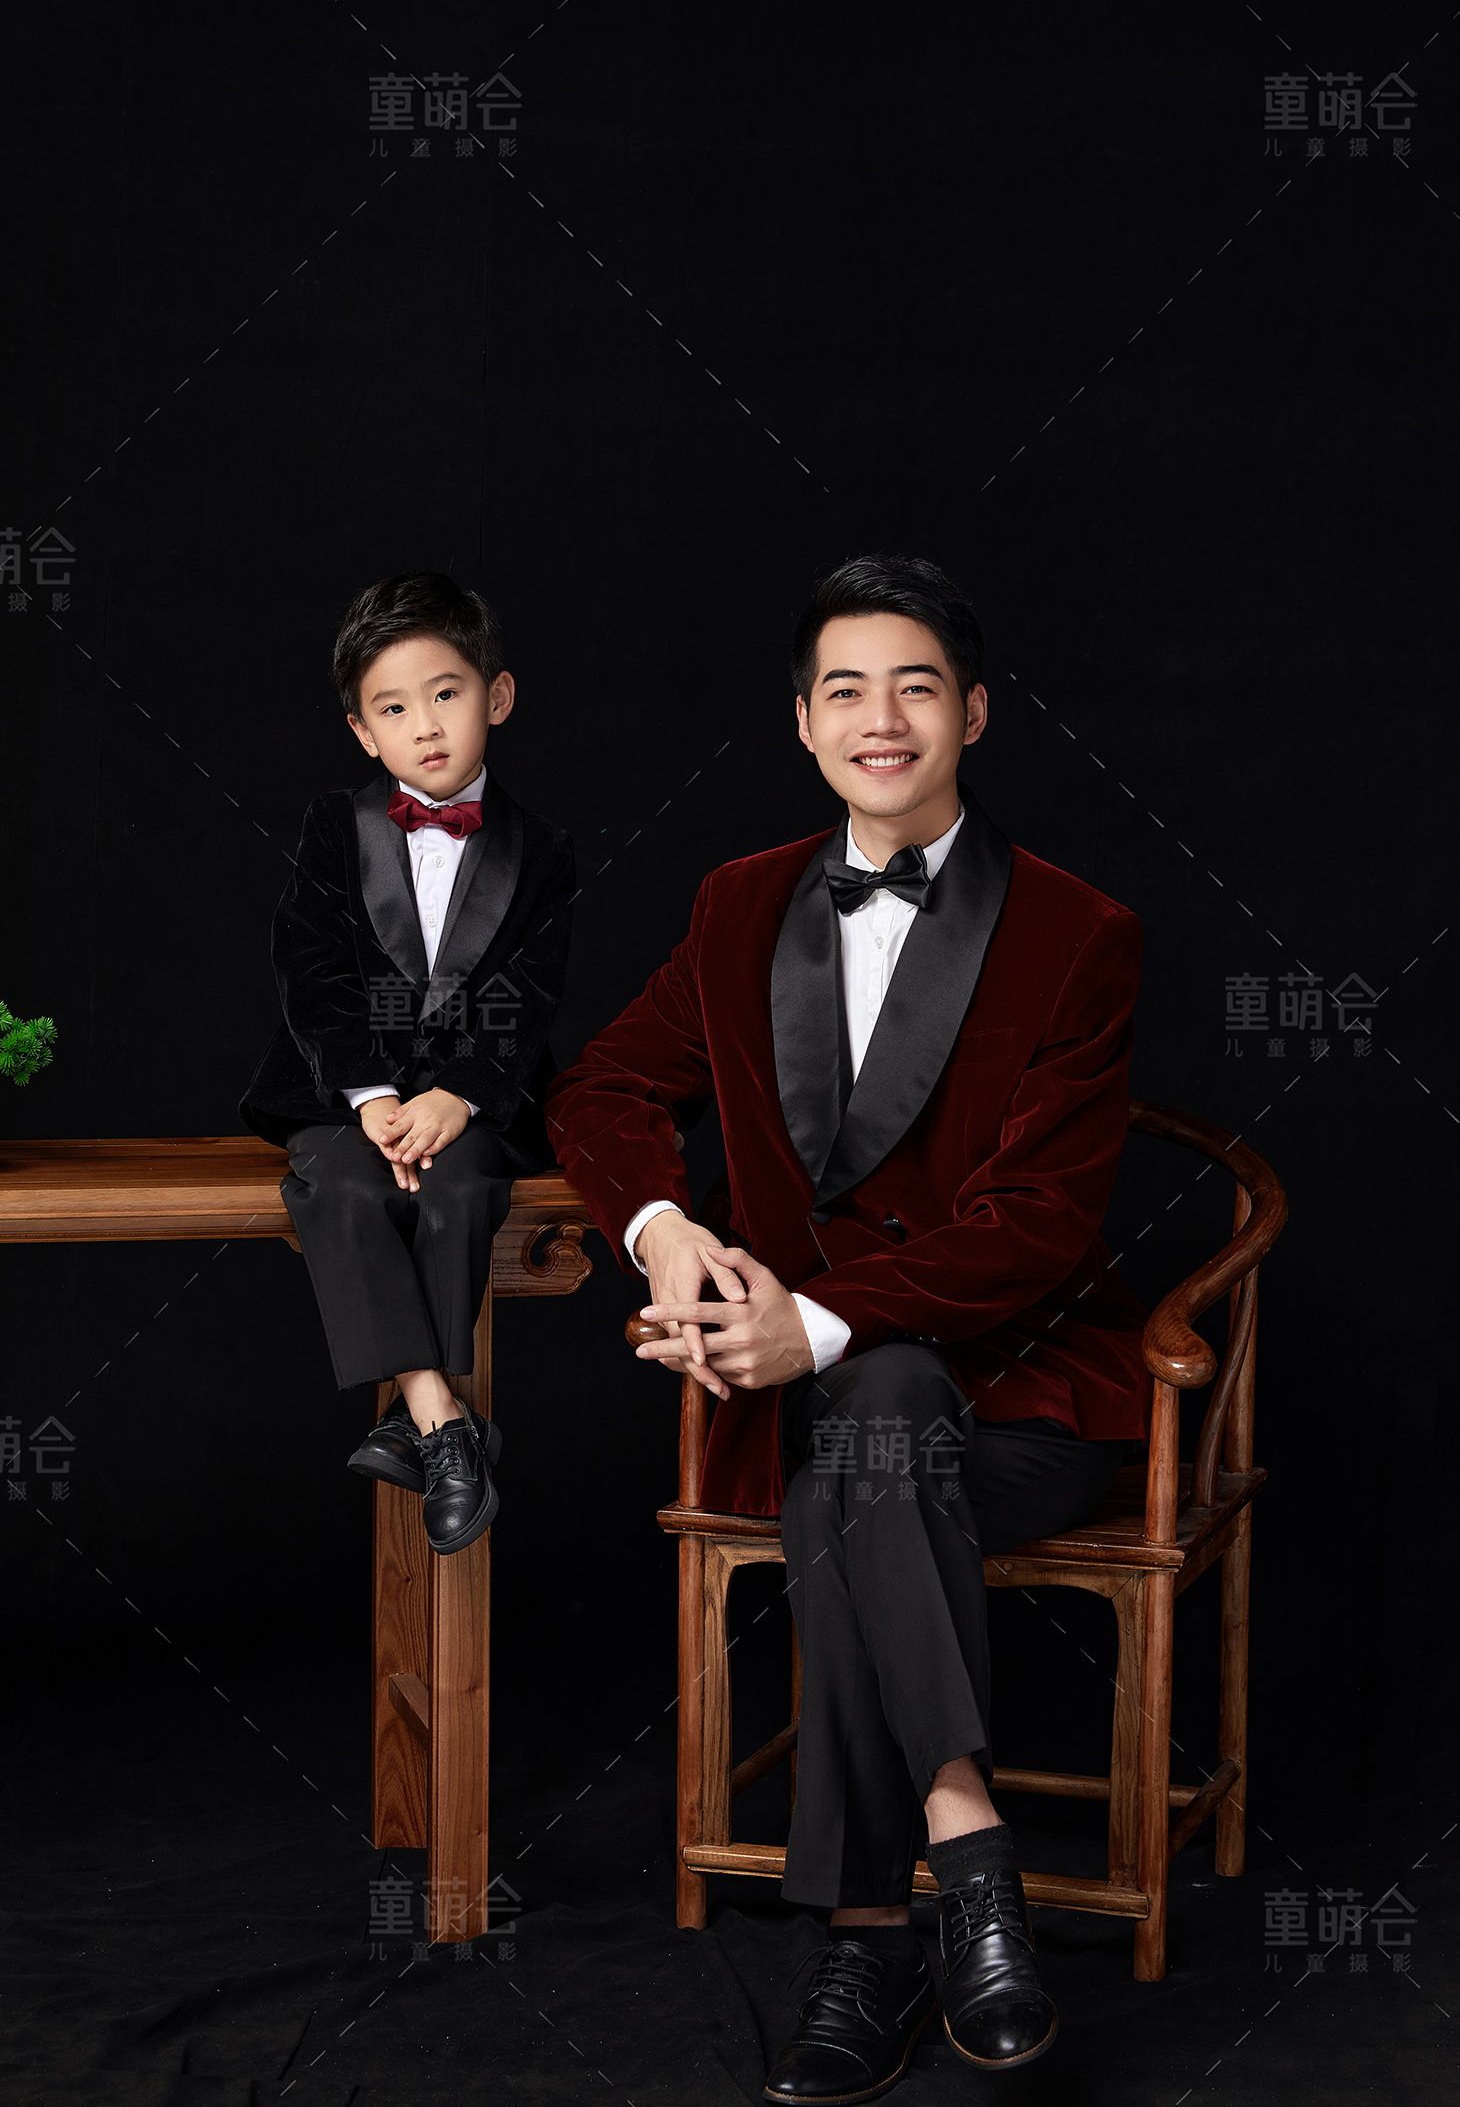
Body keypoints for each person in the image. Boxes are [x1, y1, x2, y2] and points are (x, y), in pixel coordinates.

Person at [545, 553, 1150, 2100]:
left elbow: (1039, 1224)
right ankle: (969, 1853)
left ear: (975, 714)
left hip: (1017, 1403)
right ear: (805, 722)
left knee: (859, 1445)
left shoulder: (1078, 930)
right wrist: (666, 1230)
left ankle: (870, 1939)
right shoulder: (739, 902)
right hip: (827, 1405)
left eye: (917, 686)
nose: (882, 719)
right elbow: (606, 1088)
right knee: (863, 1445)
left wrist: (808, 1323)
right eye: (847, 690)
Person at [239, 571, 577, 1555]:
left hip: (476, 1099)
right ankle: (440, 1415)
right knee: (342, 1185)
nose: (424, 726)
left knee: (461, 1189)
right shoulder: (332, 829)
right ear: (362, 732)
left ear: (496, 696)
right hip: (342, 1093)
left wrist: (459, 1095)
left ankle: (416, 1426)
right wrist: (373, 1094)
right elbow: (310, 972)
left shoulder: (541, 849)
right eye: (393, 708)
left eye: (446, 693)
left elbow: (527, 994)